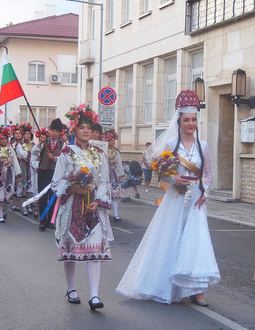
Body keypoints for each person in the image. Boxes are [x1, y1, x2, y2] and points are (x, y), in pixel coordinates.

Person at [116, 90, 220, 306]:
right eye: (187, 120)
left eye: (194, 120)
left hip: (196, 201)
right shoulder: (171, 145)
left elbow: (208, 173)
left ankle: (197, 289)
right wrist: (174, 179)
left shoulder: (204, 146)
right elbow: (161, 173)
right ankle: (166, 284)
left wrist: (205, 193)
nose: (191, 123)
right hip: (176, 197)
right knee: (171, 239)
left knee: (196, 241)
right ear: (179, 121)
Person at [51, 106, 112, 311]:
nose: (86, 131)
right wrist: (72, 185)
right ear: (74, 130)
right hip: (71, 206)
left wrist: (99, 200)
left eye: (89, 127)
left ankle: (94, 295)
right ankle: (71, 289)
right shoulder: (66, 154)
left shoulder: (100, 154)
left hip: (93, 207)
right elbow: (56, 182)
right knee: (71, 250)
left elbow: (104, 181)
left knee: (94, 250)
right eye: (82, 127)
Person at [38, 118, 65, 231]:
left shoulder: (63, 144)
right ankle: (42, 221)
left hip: (55, 173)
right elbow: (34, 154)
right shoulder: (44, 142)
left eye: (56, 131)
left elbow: (64, 159)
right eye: (52, 130)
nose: (53, 133)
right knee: (43, 197)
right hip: (43, 172)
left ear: (60, 132)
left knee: (53, 197)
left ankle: (50, 220)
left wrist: (54, 158)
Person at [103, 129, 126, 222]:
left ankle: (116, 215)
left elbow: (119, 163)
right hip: (105, 174)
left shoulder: (116, 151)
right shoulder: (103, 150)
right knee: (105, 194)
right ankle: (106, 213)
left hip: (114, 174)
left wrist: (120, 174)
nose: (113, 142)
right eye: (111, 140)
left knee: (115, 196)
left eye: (114, 140)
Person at [16, 123, 35, 216]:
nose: (27, 135)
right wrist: (29, 155)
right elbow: (22, 155)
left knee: (30, 187)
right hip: (23, 166)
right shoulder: (20, 144)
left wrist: (31, 157)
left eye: (28, 134)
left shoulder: (34, 144)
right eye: (25, 134)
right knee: (23, 185)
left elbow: (36, 155)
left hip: (31, 167)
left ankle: (29, 205)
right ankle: (23, 206)